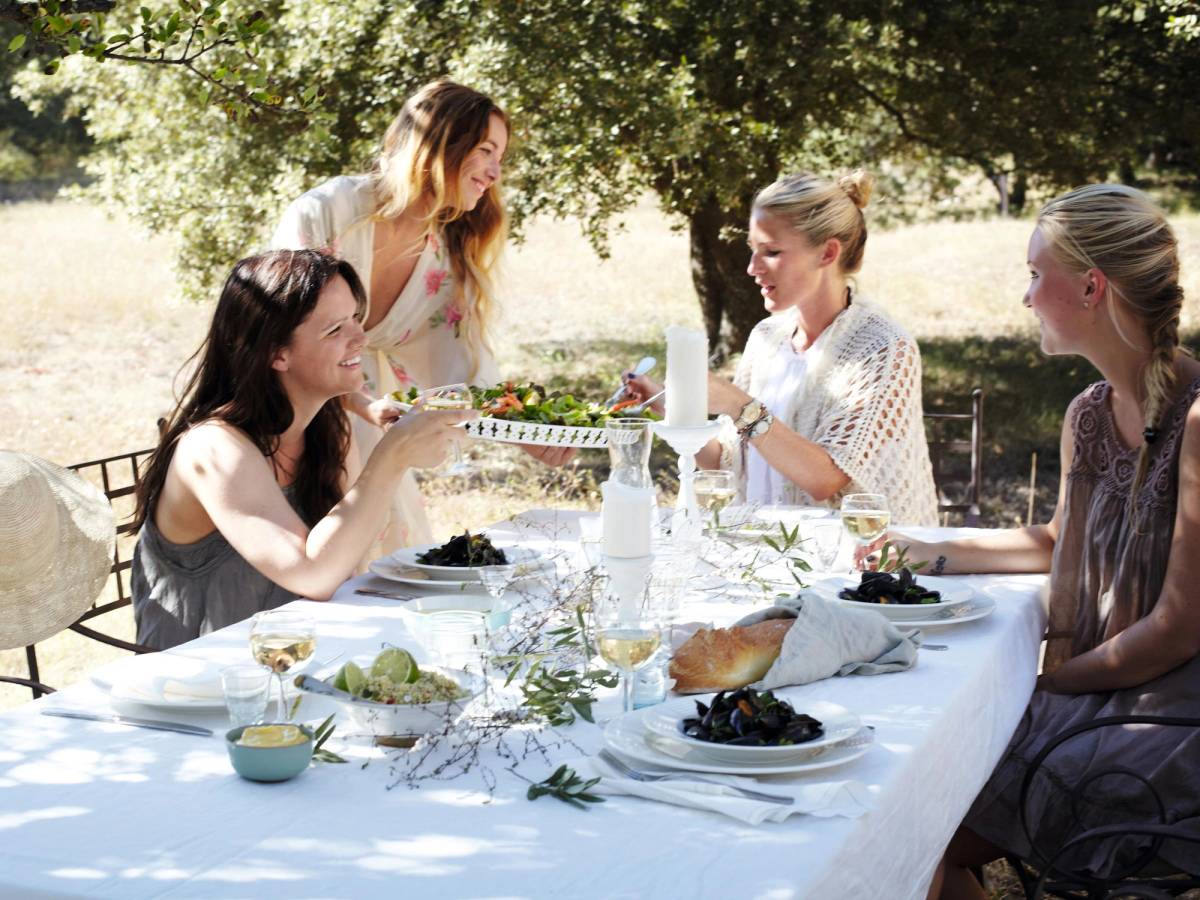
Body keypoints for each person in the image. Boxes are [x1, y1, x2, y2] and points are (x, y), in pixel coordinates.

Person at [892, 185, 1200, 896]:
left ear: (1091, 287)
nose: (1026, 296)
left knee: (924, 822)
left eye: (1036, 274)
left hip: (1169, 714)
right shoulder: (1087, 415)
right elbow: (1060, 538)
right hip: (1104, 687)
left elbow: (1178, 630)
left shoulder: (1196, 421)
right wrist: (924, 551)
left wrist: (1040, 685)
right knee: (917, 800)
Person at [271, 78, 570, 552]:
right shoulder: (329, 212)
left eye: (500, 158)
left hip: (369, 435)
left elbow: (464, 373)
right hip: (283, 424)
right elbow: (281, 335)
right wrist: (362, 404)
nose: (495, 172)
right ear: (442, 144)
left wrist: (526, 434)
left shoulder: (445, 256)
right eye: (486, 151)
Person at [130, 250, 471, 650]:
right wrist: (392, 457)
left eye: (355, 318)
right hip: (201, 676)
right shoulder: (214, 449)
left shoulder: (328, 430)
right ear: (277, 353)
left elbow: (344, 565)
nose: (361, 338)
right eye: (335, 329)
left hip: (302, 658)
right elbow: (314, 575)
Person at [624, 171, 938, 525]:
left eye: (771, 252)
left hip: (855, 555)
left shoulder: (884, 348)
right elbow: (726, 463)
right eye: (753, 251)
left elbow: (825, 478)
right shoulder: (767, 338)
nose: (752, 268)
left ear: (827, 253)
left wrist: (739, 405)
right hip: (760, 549)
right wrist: (671, 409)